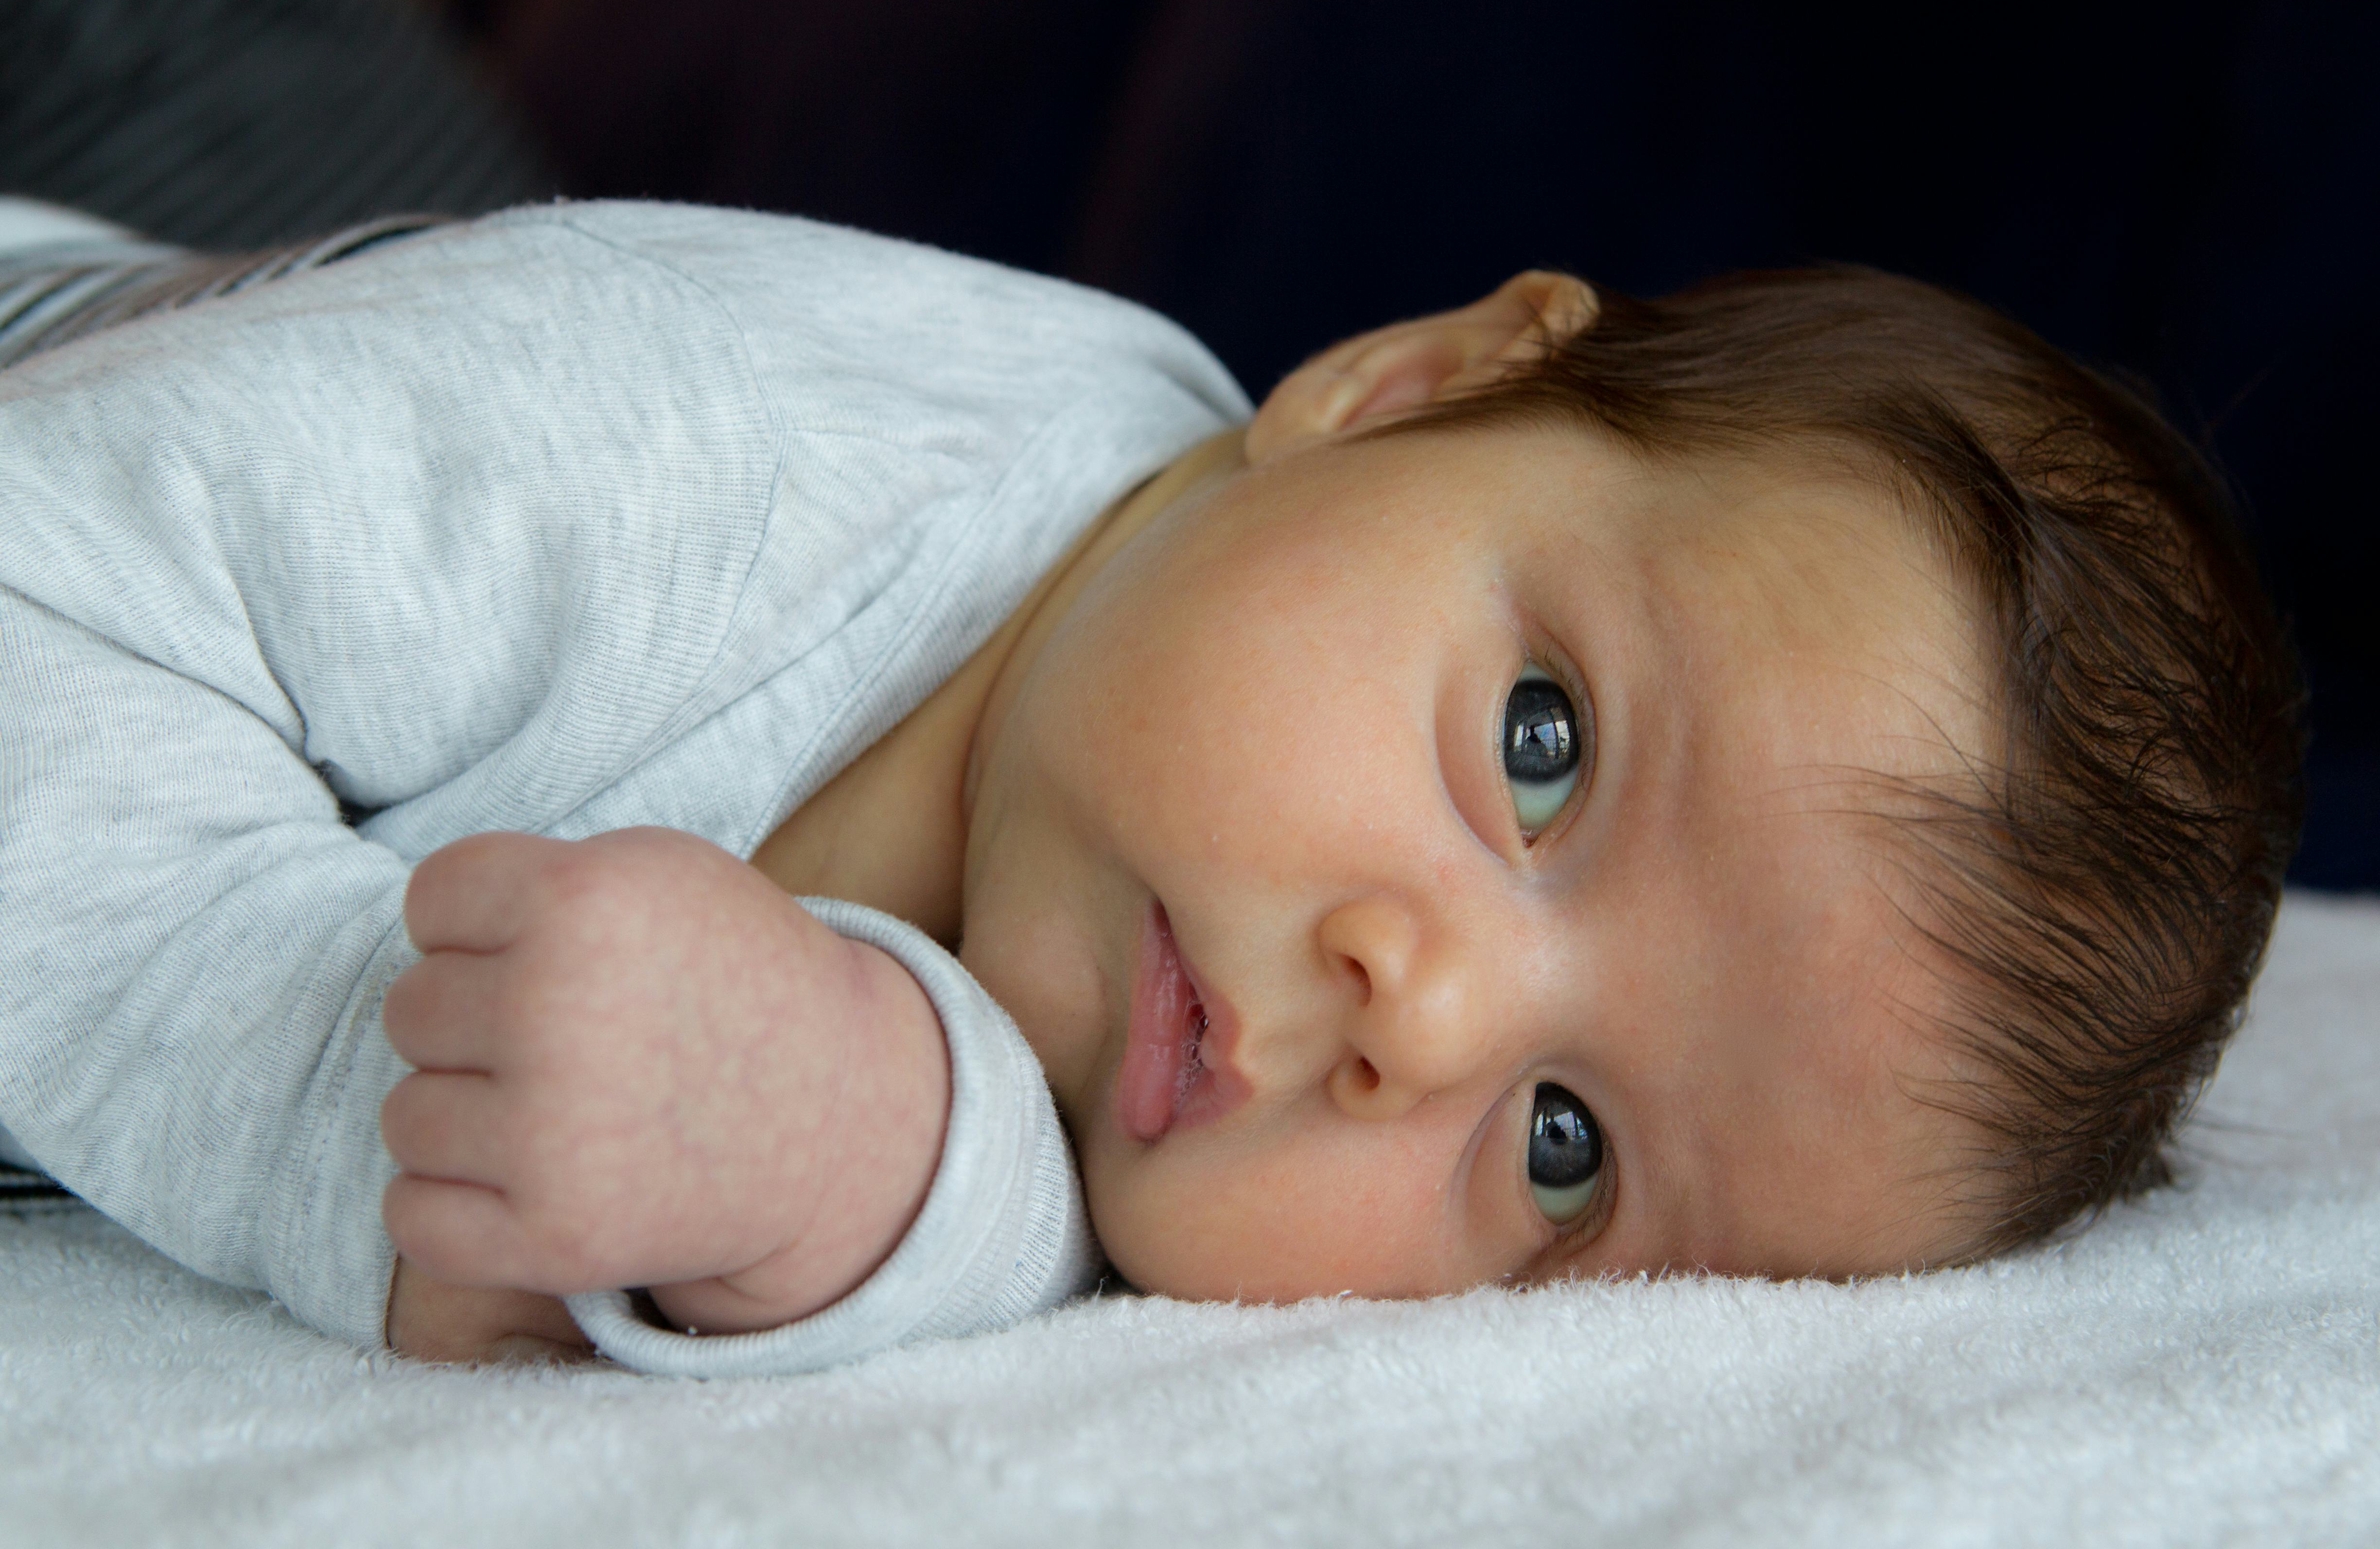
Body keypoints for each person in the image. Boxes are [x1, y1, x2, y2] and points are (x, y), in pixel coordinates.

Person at [0, 196, 2301, 1373]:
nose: (1426, 1020)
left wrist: (851, 1151)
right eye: (1542, 747)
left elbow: (998, 1182)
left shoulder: (1123, 959)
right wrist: (344, 1083)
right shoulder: (680, 452)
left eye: (1569, 1155)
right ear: (1408, 390)